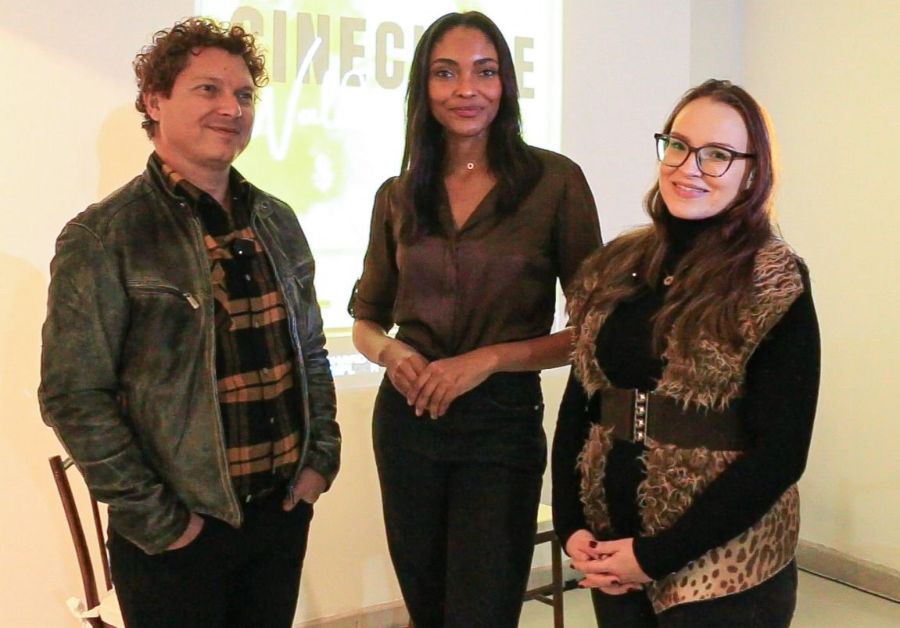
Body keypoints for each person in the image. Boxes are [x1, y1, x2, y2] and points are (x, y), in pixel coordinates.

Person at [39, 17, 340, 628]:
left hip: (279, 517)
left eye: (245, 94)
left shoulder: (278, 220)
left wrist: (318, 463)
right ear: (155, 101)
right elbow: (73, 395)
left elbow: (310, 352)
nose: (232, 108)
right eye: (209, 89)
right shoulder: (104, 236)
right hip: (177, 539)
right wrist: (161, 522)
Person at [349, 11, 602, 627]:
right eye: (446, 73)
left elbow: (594, 331)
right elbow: (365, 322)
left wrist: (488, 360)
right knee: (427, 609)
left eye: (484, 72)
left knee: (482, 613)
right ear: (423, 87)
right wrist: (392, 353)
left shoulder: (555, 182)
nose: (466, 89)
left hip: (501, 426)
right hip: (407, 423)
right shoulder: (398, 194)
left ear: (506, 82)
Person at [552, 79, 820, 627]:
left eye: (717, 155)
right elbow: (582, 404)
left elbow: (782, 453)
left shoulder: (772, 278)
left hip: (724, 574)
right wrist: (571, 524)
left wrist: (654, 558)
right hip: (614, 557)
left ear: (752, 173)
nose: (688, 167)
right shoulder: (616, 266)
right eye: (678, 145)